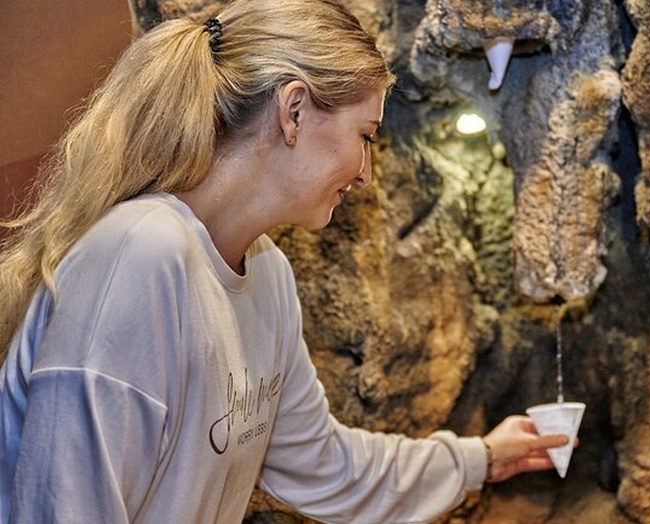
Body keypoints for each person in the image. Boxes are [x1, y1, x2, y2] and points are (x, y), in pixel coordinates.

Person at [0, 0, 573, 522]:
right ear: (294, 110)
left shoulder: (268, 273)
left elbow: (324, 466)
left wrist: (482, 458)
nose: (366, 173)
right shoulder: (140, 255)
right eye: (365, 136)